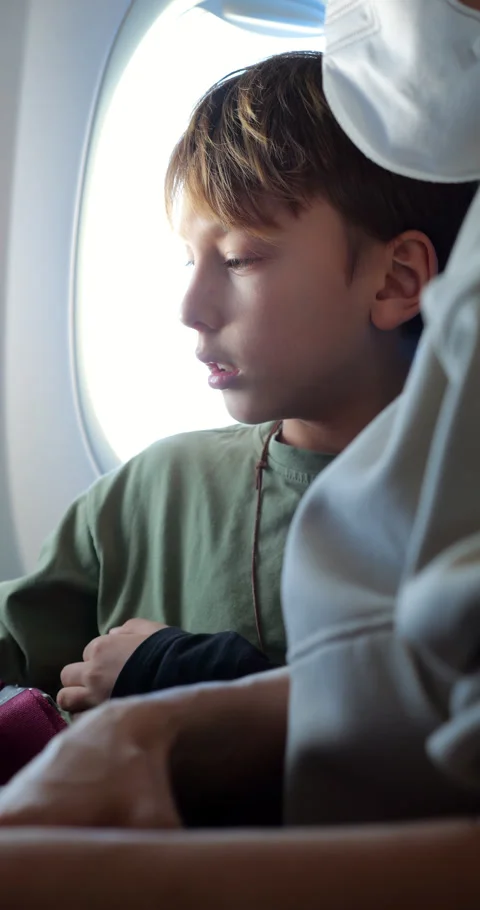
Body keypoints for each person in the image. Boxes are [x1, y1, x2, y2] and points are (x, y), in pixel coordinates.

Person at [1, 0, 480, 906]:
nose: (191, 306)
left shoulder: (451, 503)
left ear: (397, 279)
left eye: (243, 258)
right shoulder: (149, 494)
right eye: (188, 257)